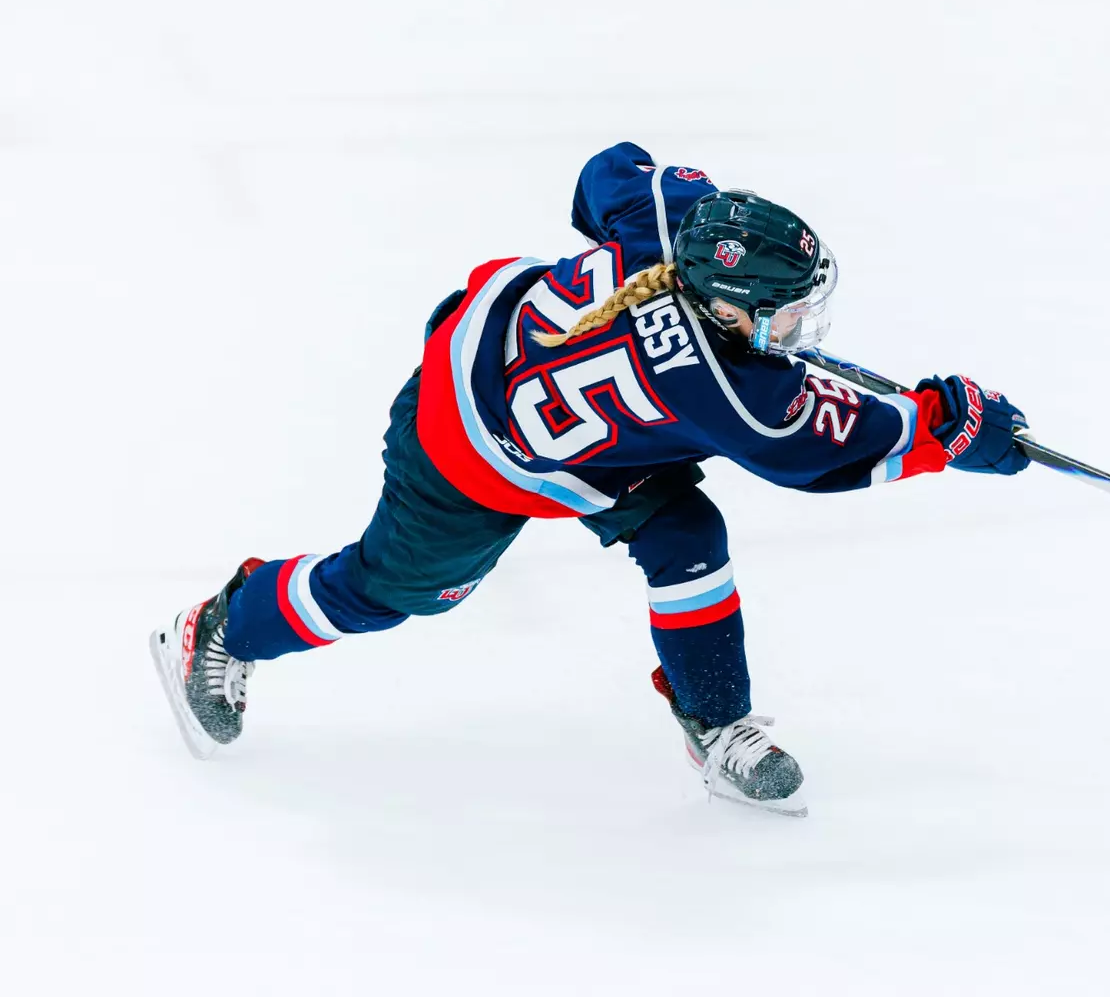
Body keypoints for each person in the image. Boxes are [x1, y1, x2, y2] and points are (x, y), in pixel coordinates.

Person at [149, 142, 1031, 816]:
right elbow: (834, 449)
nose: (803, 327)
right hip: (472, 451)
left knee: (688, 535)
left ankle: (715, 722)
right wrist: (953, 428)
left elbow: (611, 170)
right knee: (396, 590)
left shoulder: (673, 220)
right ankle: (226, 625)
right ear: (728, 310)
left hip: (510, 355)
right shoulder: (728, 390)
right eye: (789, 313)